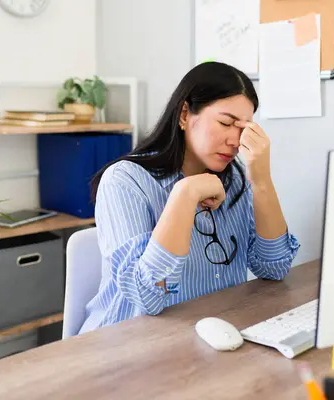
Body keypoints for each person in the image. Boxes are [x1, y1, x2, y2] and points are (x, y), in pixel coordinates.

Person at [78, 62, 300, 334]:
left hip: (207, 334)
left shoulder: (236, 178)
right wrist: (184, 194)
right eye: (225, 123)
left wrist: (261, 181)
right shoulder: (125, 180)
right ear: (185, 114)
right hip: (127, 343)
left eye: (244, 128)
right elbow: (148, 297)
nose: (235, 140)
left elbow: (274, 267)